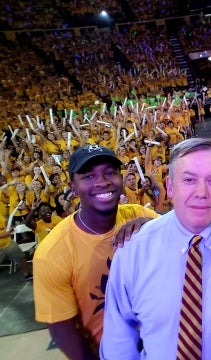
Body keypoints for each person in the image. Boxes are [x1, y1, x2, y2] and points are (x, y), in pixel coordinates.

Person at [100, 138, 211, 359]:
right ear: (170, 187)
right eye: (189, 180)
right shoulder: (133, 250)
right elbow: (119, 335)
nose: (201, 192)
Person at [33, 144, 158, 359]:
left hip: (160, 341)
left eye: (110, 172)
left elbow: (183, 239)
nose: (102, 181)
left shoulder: (139, 214)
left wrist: (154, 226)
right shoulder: (52, 254)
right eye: (88, 176)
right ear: (72, 187)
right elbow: (62, 328)